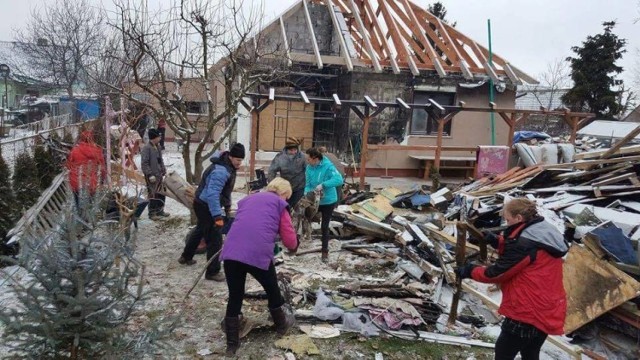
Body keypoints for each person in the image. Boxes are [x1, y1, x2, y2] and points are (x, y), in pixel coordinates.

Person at [456, 198, 568, 360]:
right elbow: (525, 252)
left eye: (508, 220)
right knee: (530, 352)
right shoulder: (541, 229)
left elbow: (497, 273)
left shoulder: (524, 243)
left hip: (528, 308)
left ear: (518, 218)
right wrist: (497, 241)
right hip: (548, 306)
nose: (507, 223)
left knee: (503, 353)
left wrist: (470, 271)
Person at [219, 177, 298, 355]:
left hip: (232, 252)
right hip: (256, 252)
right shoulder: (279, 203)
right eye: (287, 197)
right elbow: (289, 237)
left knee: (235, 295)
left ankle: (232, 344)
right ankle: (281, 326)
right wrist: (294, 247)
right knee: (272, 289)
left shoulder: (247, 199)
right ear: (283, 193)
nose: (286, 201)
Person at [178, 143, 245, 281]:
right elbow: (213, 194)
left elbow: (225, 191)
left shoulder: (228, 166)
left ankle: (186, 256)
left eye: (241, 160)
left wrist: (227, 206)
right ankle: (212, 272)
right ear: (231, 157)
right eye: (238, 160)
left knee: (201, 230)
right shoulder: (221, 171)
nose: (240, 163)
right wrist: (217, 216)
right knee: (215, 238)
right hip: (205, 205)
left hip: (202, 202)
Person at [304, 147, 343, 262]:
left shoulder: (328, 166)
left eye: (309, 159)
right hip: (314, 200)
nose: (307, 161)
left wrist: (323, 185)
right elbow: (308, 183)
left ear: (315, 159)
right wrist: (307, 192)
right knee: (304, 219)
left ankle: (324, 251)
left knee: (324, 226)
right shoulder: (309, 168)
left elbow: (339, 180)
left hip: (328, 200)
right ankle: (302, 242)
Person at [66, 130, 106, 204]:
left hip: (76, 182)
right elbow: (102, 168)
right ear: (92, 139)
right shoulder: (97, 152)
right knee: (91, 205)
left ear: (81, 139)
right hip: (91, 183)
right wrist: (102, 180)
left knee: (78, 204)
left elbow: (68, 165)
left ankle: (79, 213)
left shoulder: (75, 151)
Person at [267, 137, 306, 208]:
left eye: (295, 150)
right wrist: (272, 185)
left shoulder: (302, 157)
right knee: (284, 207)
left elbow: (309, 171)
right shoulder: (280, 157)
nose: (293, 152)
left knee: (297, 208)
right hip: (284, 188)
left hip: (299, 187)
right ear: (286, 150)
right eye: (291, 150)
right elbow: (271, 171)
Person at [141, 128, 168, 220]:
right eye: (158, 136)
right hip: (152, 175)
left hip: (159, 174)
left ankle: (160, 210)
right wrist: (149, 174)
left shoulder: (158, 147)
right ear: (154, 137)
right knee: (153, 194)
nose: (160, 138)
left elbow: (160, 160)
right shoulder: (147, 148)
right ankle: (152, 213)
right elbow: (144, 163)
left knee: (161, 192)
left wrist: (163, 169)